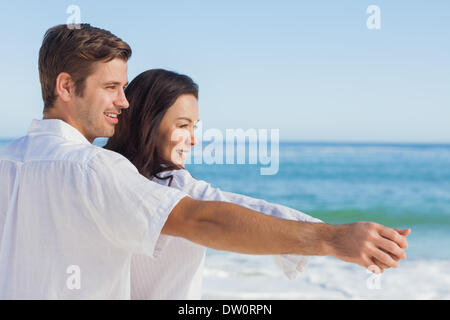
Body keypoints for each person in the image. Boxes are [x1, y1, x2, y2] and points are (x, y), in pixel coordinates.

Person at [0, 24, 409, 299]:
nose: (122, 102)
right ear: (66, 86)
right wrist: (332, 239)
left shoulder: (8, 162)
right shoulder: (93, 170)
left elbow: (226, 205)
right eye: (110, 87)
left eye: (124, 88)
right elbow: (201, 218)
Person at [104, 69, 411, 299]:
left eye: (195, 127)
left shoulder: (97, 174)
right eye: (183, 126)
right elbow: (226, 214)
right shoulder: (174, 187)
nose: (194, 139)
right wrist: (333, 237)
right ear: (147, 123)